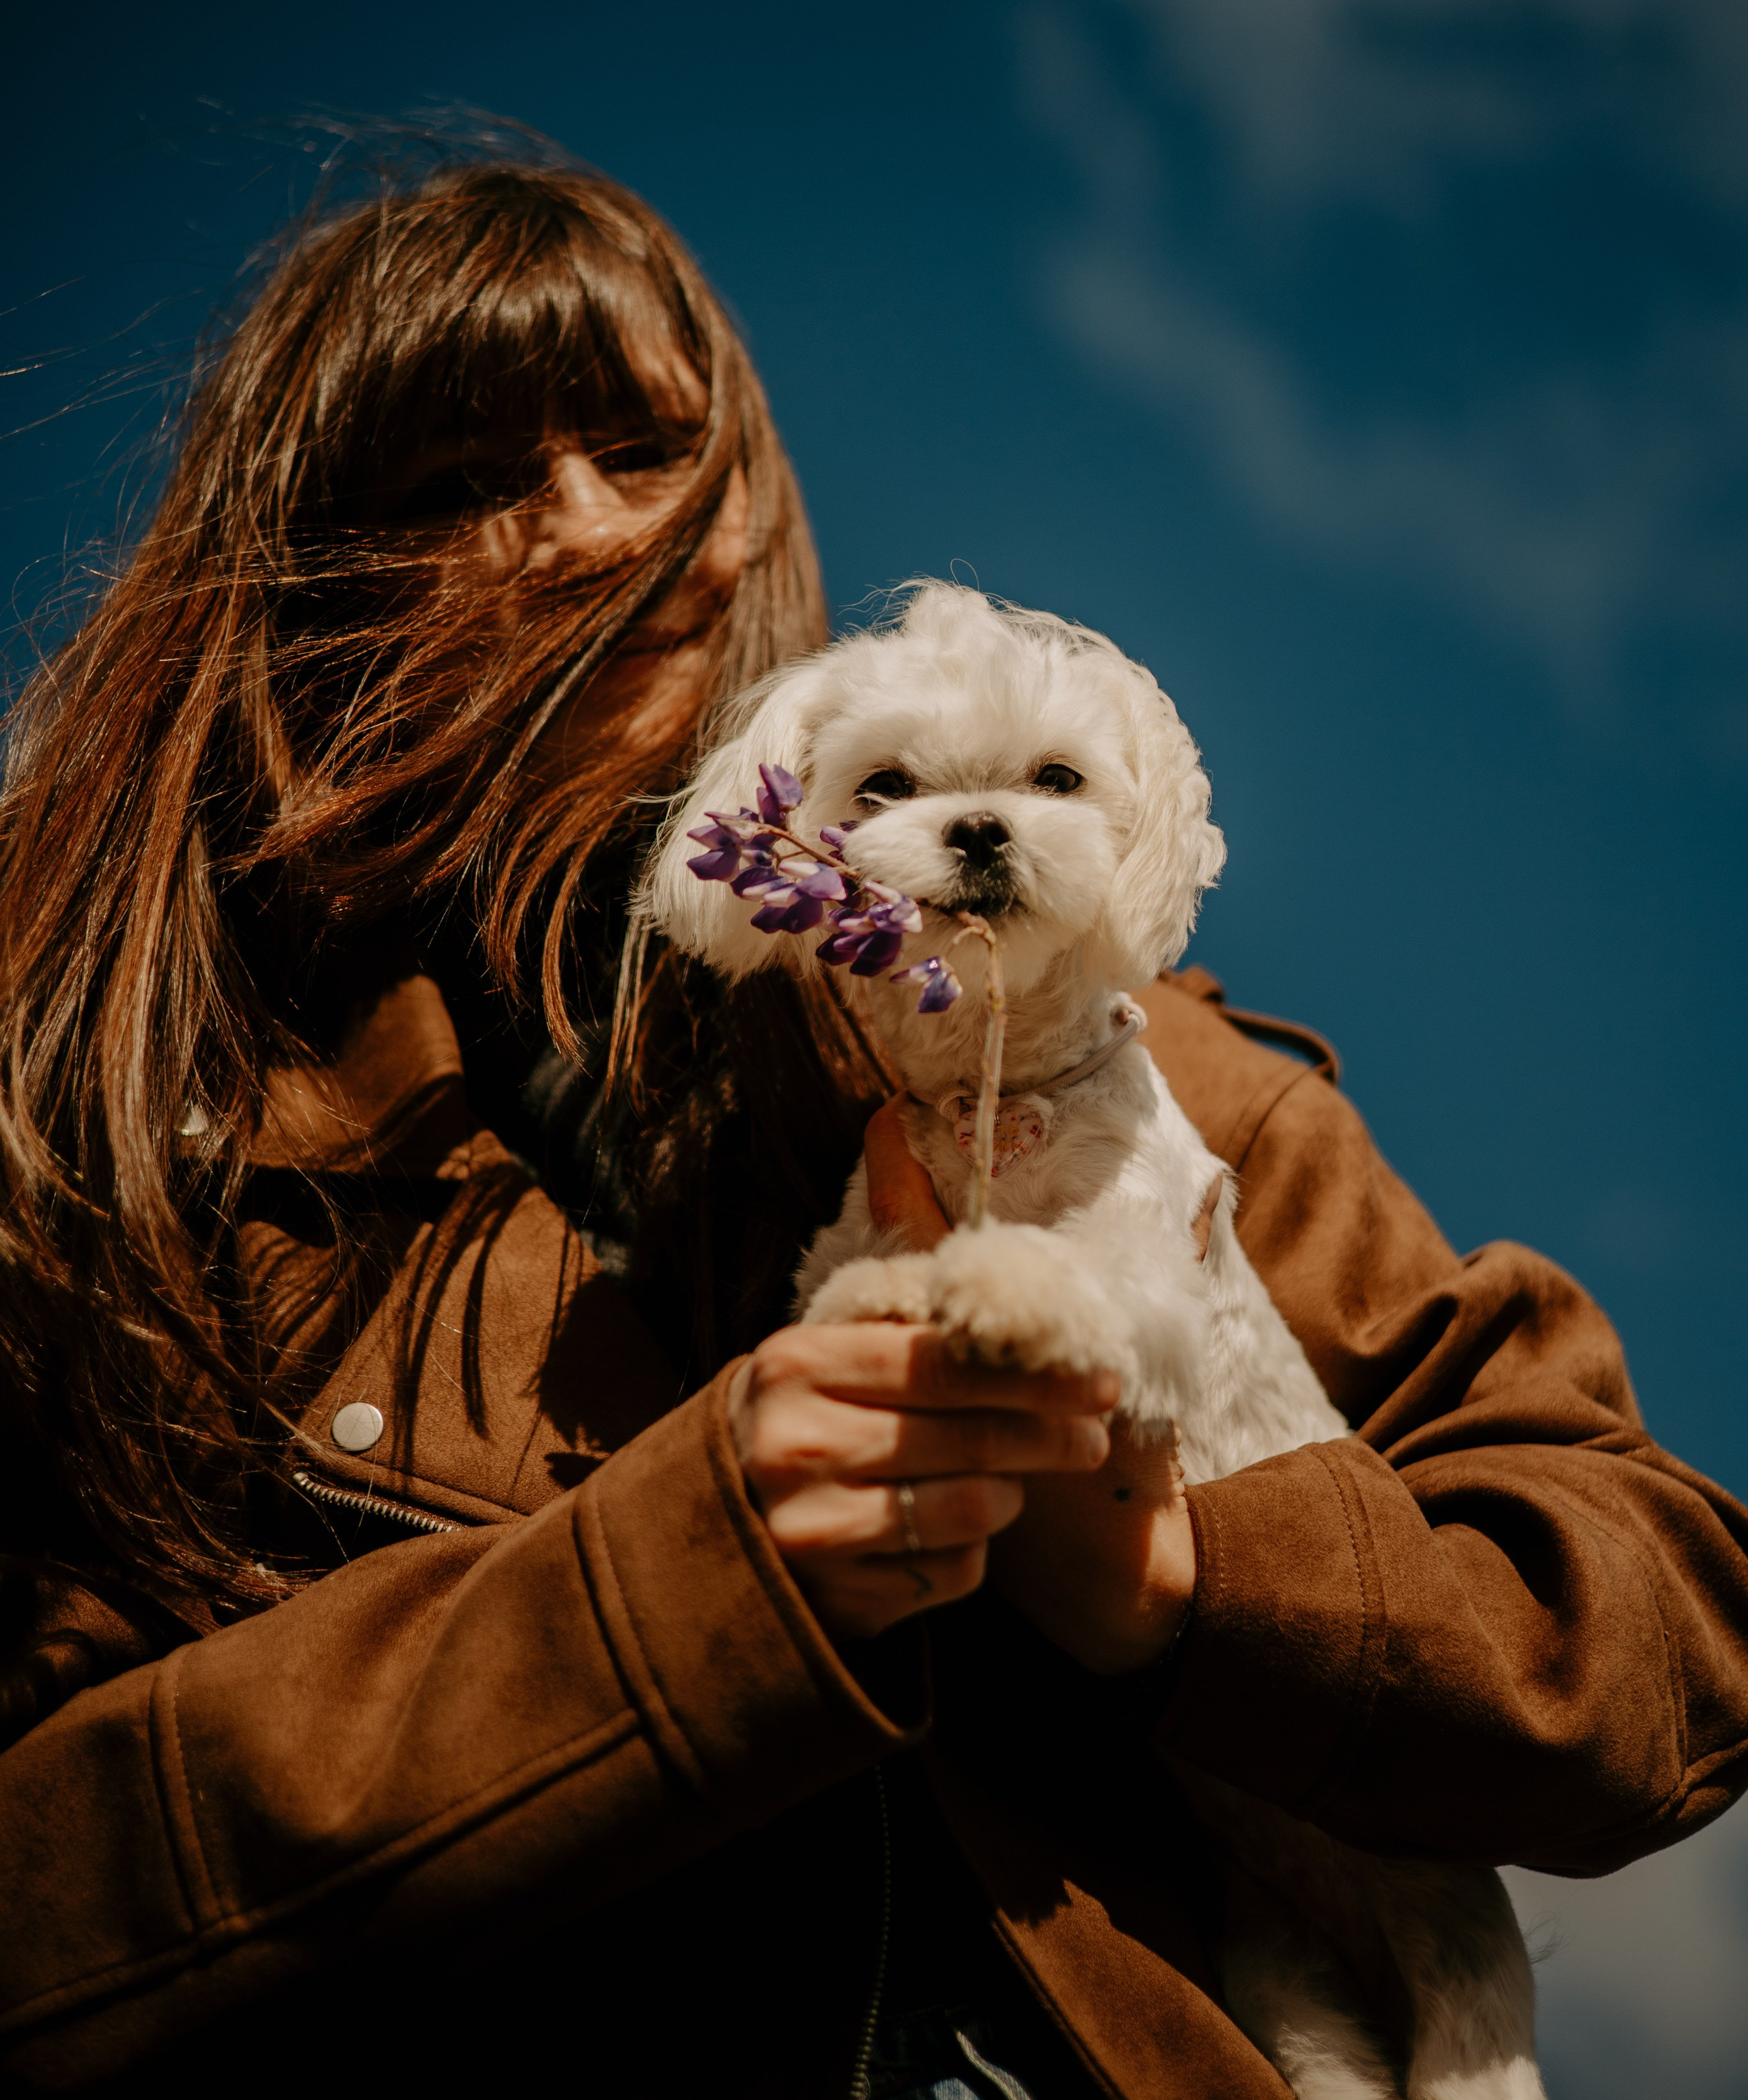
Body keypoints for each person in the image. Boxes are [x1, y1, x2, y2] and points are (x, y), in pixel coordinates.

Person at [0, 139, 1743, 2100]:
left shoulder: (1153, 1076)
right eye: (462, 483)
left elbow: (1658, 1612)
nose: (582, 532)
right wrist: (673, 1590)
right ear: (307, 564)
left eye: (645, 452)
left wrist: (1181, 1590)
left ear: (747, 510)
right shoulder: (109, 1144)